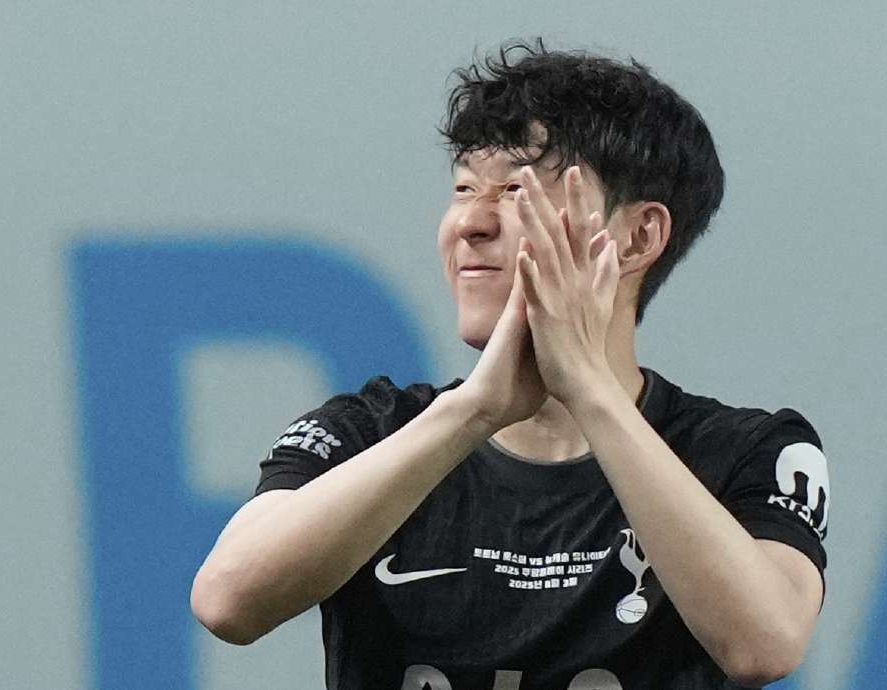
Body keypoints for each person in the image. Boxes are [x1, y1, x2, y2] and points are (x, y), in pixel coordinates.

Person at [191, 39, 830, 690]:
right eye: (465, 187)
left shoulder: (746, 450)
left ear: (638, 236)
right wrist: (473, 411)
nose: (470, 222)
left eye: (516, 190)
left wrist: (589, 391)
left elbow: (765, 644)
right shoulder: (365, 433)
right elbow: (227, 601)